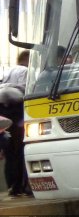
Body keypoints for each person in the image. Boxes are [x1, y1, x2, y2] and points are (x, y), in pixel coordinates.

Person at [0, 50, 31, 197]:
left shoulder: (7, 71)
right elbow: (28, 92)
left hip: (2, 109)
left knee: (9, 151)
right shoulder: (26, 70)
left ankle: (12, 185)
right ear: (27, 60)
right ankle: (19, 186)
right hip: (16, 108)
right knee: (19, 149)